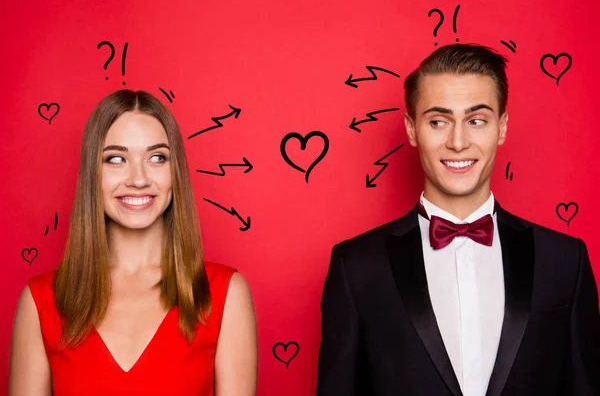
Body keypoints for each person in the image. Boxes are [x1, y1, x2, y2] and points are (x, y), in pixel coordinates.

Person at [317, 44, 600, 396]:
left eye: (476, 121)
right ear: (411, 129)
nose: (458, 141)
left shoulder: (564, 261)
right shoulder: (356, 266)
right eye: (438, 121)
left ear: (501, 127)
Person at [9, 90, 258, 395]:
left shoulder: (223, 294)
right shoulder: (41, 302)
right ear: (92, 174)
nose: (138, 179)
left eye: (157, 157)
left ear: (175, 171)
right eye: (116, 159)